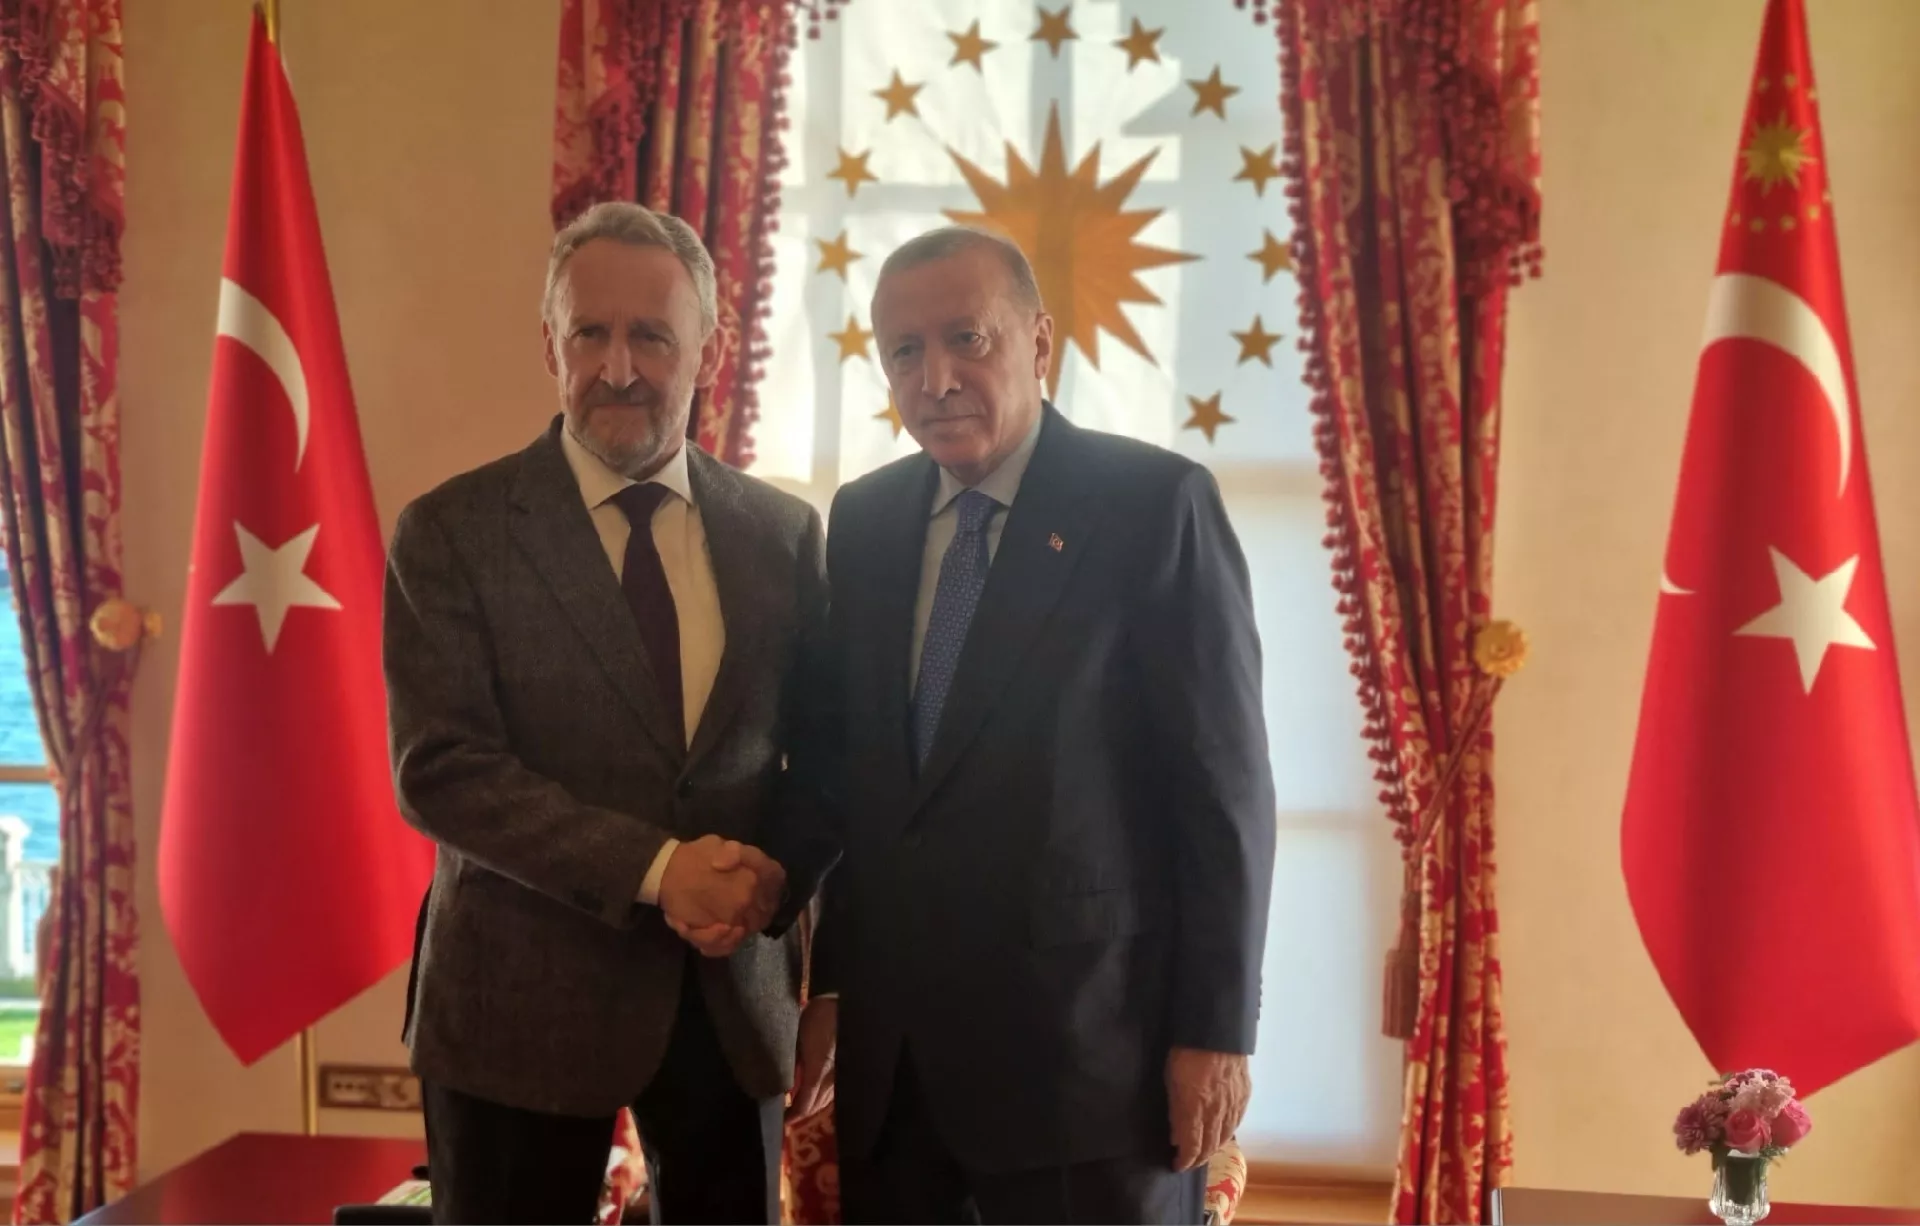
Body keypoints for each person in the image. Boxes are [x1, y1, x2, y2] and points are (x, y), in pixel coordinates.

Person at [785, 227, 1277, 1224]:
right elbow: (858, 781)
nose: (936, 379)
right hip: (900, 1073)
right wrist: (830, 984)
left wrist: (1216, 1031)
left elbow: (1222, 791)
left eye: (966, 338)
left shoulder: (1153, 505)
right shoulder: (867, 520)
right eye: (905, 351)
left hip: (1091, 1068)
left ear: (1040, 340)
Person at [384, 201, 828, 1225]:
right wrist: (662, 869)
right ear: (551, 344)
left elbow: (826, 766)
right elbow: (442, 769)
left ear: (710, 351)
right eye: (591, 332)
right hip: (514, 1015)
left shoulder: (783, 536)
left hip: (730, 1007)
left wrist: (802, 933)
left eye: (653, 336)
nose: (618, 368)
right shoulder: (451, 532)